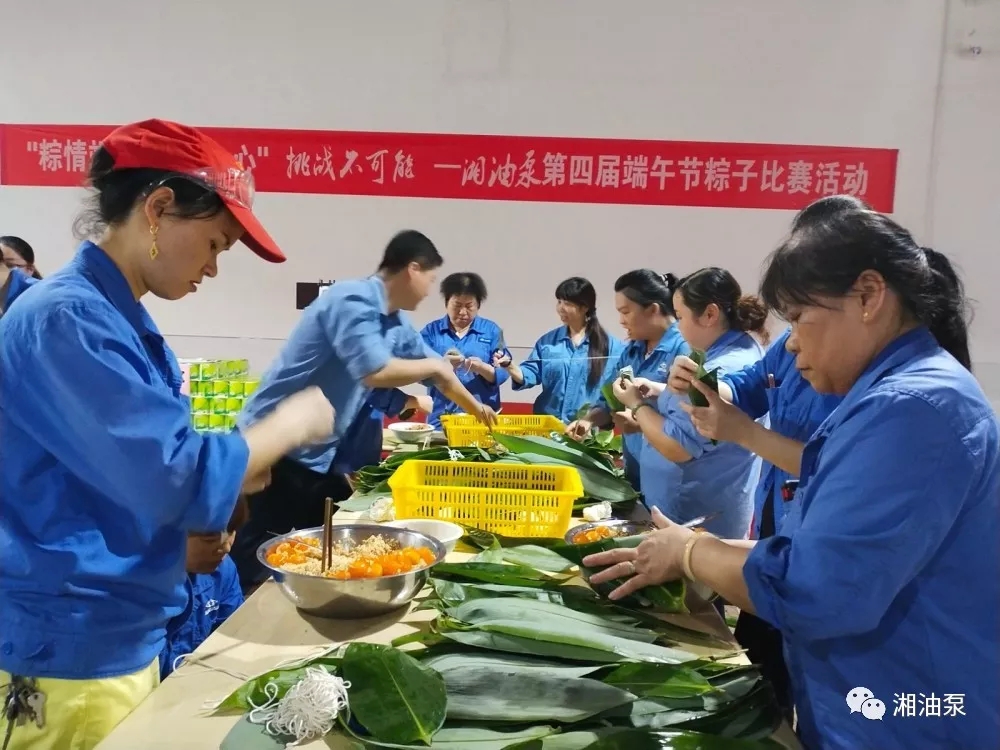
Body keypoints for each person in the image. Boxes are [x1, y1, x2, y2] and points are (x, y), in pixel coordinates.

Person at [584, 210, 1000, 750]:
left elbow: (816, 588)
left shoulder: (910, 409)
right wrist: (695, 546)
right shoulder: (888, 395)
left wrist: (690, 553)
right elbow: (829, 549)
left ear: (869, 296)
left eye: (800, 318)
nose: (792, 344)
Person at [0, 119, 335, 750]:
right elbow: (172, 474)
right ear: (157, 209)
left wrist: (233, 475)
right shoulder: (68, 319)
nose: (213, 267)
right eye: (214, 243)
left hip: (112, 636)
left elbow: (132, 470)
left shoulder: (113, 318)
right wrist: (287, 426)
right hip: (71, 650)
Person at [664, 196, 868, 721]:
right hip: (779, 529)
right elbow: (747, 388)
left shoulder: (883, 391)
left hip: (820, 543)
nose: (793, 342)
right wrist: (706, 385)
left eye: (801, 315)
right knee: (763, 667)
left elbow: (833, 468)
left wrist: (743, 432)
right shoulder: (788, 349)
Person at [233, 235, 498, 590]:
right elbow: (374, 371)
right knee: (254, 557)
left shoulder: (397, 324)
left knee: (324, 553)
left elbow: (442, 376)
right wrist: (435, 367)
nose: (428, 291)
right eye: (431, 279)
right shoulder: (351, 299)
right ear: (413, 269)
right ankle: (230, 615)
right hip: (274, 446)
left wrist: (479, 411)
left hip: (320, 454)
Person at [612, 268, 767, 540]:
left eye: (680, 317)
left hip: (694, 514)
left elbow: (678, 446)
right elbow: (699, 400)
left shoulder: (723, 366)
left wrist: (636, 405)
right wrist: (659, 391)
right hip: (692, 504)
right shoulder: (727, 351)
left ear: (709, 315)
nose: (678, 327)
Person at [567, 269, 689, 490]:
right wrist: (588, 420)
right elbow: (610, 399)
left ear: (653, 310)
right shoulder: (632, 350)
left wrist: (642, 424)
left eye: (625, 312)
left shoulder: (684, 350)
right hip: (636, 471)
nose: (621, 321)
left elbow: (689, 422)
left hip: (671, 479)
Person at [496, 277, 625, 423]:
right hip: (548, 427)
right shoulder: (547, 342)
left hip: (588, 430)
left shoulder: (612, 347)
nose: (560, 308)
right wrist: (509, 365)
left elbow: (617, 392)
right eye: (559, 302)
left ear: (585, 307)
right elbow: (530, 374)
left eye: (567, 303)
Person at [420, 272, 509, 428]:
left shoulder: (492, 331)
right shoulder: (431, 332)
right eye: (457, 305)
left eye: (469, 306)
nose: (463, 312)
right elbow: (417, 372)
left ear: (478, 305)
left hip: (482, 417)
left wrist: (482, 368)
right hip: (441, 419)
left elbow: (503, 373)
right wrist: (441, 366)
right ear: (446, 303)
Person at [159, 530, 243, 680]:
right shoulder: (135, 588)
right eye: (210, 539)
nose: (226, 547)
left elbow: (233, 633)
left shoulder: (223, 570)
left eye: (231, 531)